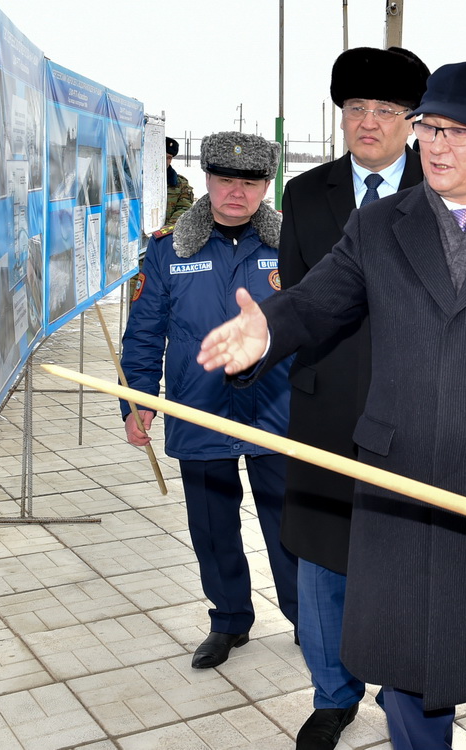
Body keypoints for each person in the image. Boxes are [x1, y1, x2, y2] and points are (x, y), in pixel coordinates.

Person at [198, 62, 466, 750]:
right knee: (409, 672)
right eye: (427, 128)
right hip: (399, 482)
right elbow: (319, 298)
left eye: (458, 131)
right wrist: (267, 328)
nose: (436, 146)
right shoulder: (382, 223)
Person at [279, 46, 428, 750]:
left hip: (418, 406)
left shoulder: (447, 188)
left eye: (386, 111)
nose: (368, 123)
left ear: (414, 121)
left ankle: (407, 686)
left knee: (408, 552)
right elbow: (302, 302)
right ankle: (332, 696)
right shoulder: (306, 195)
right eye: (355, 109)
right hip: (326, 401)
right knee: (323, 557)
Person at [120, 131, 298, 671]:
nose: (236, 193)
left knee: (289, 523)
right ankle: (228, 620)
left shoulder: (292, 244)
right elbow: (145, 332)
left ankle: (305, 618)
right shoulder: (168, 247)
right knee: (212, 525)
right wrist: (137, 401)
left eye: (249, 182)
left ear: (267, 185)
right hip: (199, 407)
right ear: (207, 180)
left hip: (277, 409)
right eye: (225, 179)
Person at [165, 135, 195, 225]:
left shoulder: (181, 184)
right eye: (163, 156)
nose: (165, 161)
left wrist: (165, 231)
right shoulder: (138, 181)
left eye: (169, 158)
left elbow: (184, 208)